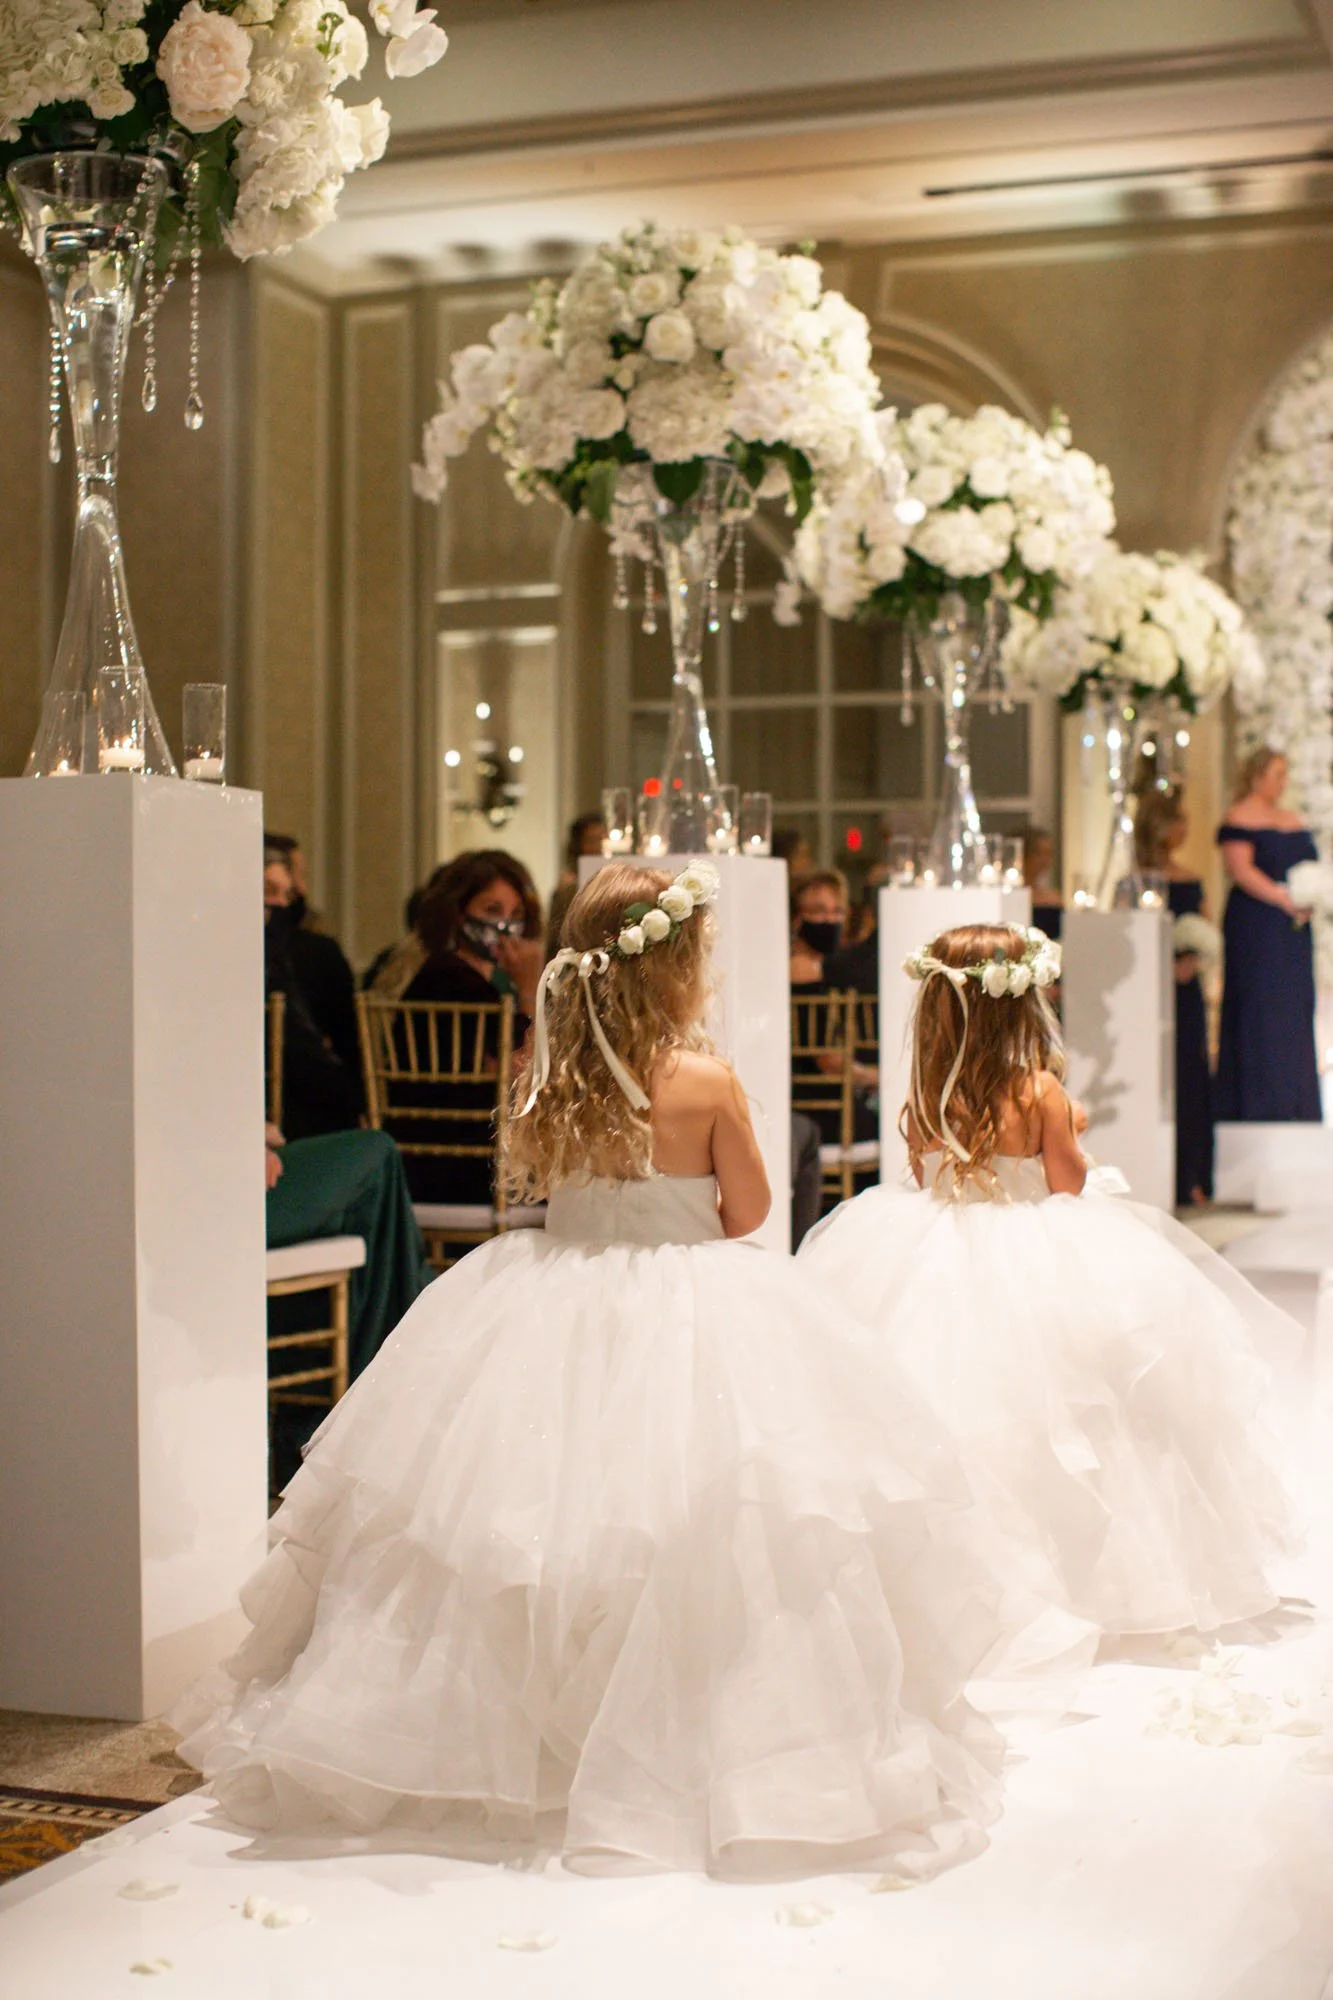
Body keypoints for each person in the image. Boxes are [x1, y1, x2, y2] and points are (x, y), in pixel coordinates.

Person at [174, 862, 1015, 1882]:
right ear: (674, 965)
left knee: (526, 1514)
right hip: (690, 1301)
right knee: (700, 1519)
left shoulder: (540, 1069)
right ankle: (683, 1740)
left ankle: (507, 1736)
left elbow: (530, 1190)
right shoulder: (702, 1079)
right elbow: (747, 1213)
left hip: (547, 1291)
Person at [800, 923, 1294, 1639]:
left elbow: (921, 1173)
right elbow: (1065, 1185)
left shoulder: (926, 1090)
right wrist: (1071, 1131)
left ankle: (968, 1580)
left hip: (934, 1244)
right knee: (1079, 1415)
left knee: (958, 1404)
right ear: (1021, 1002)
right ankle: (1082, 1577)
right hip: (1036, 1244)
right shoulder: (1038, 1090)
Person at [388, 850, 545, 1205]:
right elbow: (517, 1072)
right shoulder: (454, 982)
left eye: (516, 914)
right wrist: (528, 989)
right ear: (458, 913)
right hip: (465, 1162)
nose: (505, 925)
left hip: (439, 1154)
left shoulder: (448, 974)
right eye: (492, 911)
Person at [1215, 747, 1321, 1122]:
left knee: (1294, 1007)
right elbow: (1241, 871)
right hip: (1258, 925)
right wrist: (1282, 897)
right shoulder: (1241, 816)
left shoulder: (1290, 817)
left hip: (1292, 930)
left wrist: (1308, 897)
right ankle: (1258, 1102)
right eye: (1276, 773)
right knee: (1260, 1006)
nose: (1282, 781)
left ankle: (1296, 1100)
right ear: (1257, 775)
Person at [1136, 789, 1214, 1207]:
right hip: (1148, 994)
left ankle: (1193, 1176)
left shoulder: (1191, 879)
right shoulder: (1133, 882)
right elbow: (1125, 939)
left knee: (1190, 1075)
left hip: (1186, 994)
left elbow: (1205, 931)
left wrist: (1193, 963)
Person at [264, 852, 361, 1140]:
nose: (283, 903)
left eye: (287, 893)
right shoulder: (307, 954)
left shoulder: (287, 955)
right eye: (269, 891)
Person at [545, 811, 609, 958]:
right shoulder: (569, 886)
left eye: (602, 839)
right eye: (592, 840)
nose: (599, 847)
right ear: (579, 844)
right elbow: (556, 938)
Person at [789, 867, 848, 989]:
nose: (830, 920)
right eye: (819, 911)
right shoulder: (785, 968)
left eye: (838, 911)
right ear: (796, 918)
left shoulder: (842, 968)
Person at [1022, 827, 1063, 940]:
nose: (1045, 860)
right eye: (1038, 853)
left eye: (1048, 854)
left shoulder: (1053, 897)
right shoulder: (1005, 897)